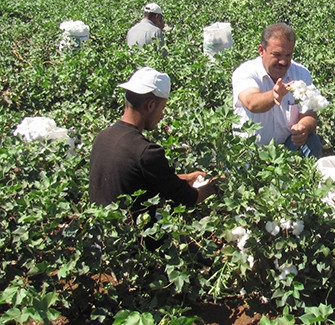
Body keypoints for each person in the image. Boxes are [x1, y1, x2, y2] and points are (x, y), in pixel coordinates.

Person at [90, 67, 219, 215]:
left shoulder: (103, 137)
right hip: (137, 236)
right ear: (150, 105)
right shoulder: (146, 153)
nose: (162, 115)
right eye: (162, 108)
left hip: (103, 232)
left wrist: (187, 178)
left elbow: (136, 179)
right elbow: (187, 198)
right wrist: (215, 185)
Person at [232, 23, 322, 159]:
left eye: (288, 55)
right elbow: (251, 102)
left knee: (312, 141)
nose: (283, 61)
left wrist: (304, 127)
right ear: (261, 51)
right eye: (277, 55)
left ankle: (311, 179)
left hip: (287, 147)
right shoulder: (246, 72)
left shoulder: (301, 74)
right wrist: (274, 95)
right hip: (251, 150)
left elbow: (309, 113)